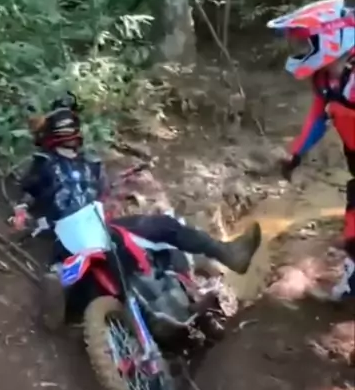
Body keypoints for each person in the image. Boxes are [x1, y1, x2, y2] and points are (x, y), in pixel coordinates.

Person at [18, 97, 262, 330]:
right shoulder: (52, 164)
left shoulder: (85, 165)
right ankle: (222, 256)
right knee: (160, 228)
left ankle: (193, 285)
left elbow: (96, 193)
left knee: (157, 232)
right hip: (81, 233)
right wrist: (24, 211)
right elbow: (30, 197)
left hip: (92, 231)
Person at [267, 0, 355, 300]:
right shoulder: (325, 79)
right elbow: (318, 118)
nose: (302, 49)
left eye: (307, 42)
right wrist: (296, 153)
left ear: (331, 37)